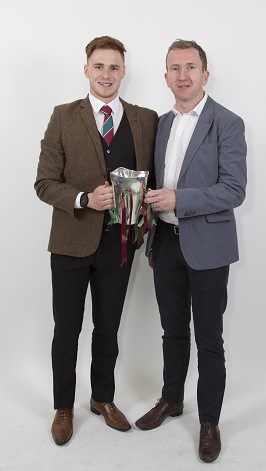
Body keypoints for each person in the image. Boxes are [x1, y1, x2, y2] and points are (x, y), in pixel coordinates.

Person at [34, 35, 158, 446]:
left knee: (108, 329)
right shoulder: (63, 116)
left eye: (115, 67)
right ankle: (63, 407)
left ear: (124, 72)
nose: (107, 74)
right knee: (66, 330)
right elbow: (44, 183)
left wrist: (149, 226)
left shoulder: (145, 119)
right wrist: (84, 198)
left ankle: (102, 398)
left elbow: (153, 181)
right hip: (69, 244)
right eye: (99, 66)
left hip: (119, 245)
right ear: (86, 69)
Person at [135, 39, 247, 463]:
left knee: (209, 340)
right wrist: (151, 238)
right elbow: (152, 189)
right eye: (174, 68)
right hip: (165, 247)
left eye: (190, 67)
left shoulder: (228, 123)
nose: (183, 75)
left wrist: (179, 199)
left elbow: (233, 190)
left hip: (208, 248)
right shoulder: (161, 124)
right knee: (172, 333)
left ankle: (209, 423)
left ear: (205, 74)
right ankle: (171, 400)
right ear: (165, 77)